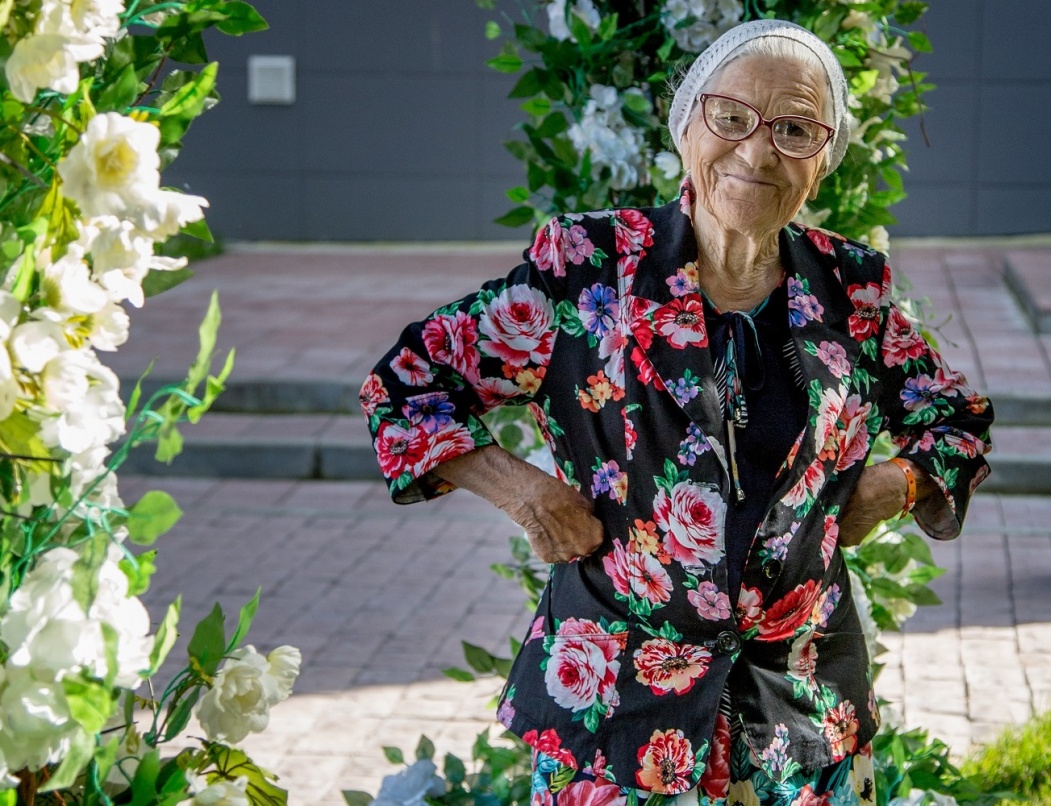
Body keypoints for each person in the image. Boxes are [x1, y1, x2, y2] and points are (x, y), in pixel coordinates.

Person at [360, 19, 993, 806]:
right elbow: (407, 384)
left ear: (822, 165)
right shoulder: (588, 271)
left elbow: (956, 419)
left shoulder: (851, 290)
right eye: (731, 117)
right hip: (618, 712)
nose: (758, 153)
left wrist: (895, 482)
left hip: (800, 718)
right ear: (686, 125)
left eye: (795, 131)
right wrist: (525, 493)